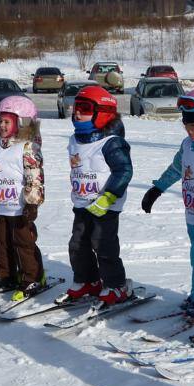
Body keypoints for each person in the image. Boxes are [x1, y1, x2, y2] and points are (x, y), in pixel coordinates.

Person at [140, 88, 194, 320]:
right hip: (192, 213)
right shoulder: (188, 145)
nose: (190, 130)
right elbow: (176, 168)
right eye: (186, 125)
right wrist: (157, 189)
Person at [64, 85, 134, 305]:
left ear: (103, 113)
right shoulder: (75, 140)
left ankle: (117, 285)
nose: (77, 113)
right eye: (76, 107)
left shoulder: (111, 143)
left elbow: (124, 170)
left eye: (84, 108)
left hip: (105, 207)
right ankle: (88, 280)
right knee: (77, 244)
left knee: (104, 246)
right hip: (82, 204)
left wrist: (109, 197)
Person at [0, 96, 46, 301]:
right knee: (0, 243)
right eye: (1, 121)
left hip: (19, 208)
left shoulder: (27, 147)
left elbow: (35, 177)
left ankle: (32, 278)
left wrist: (32, 204)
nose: (2, 125)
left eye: (7, 121)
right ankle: (3, 276)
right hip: (0, 205)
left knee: (24, 244)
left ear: (21, 123)